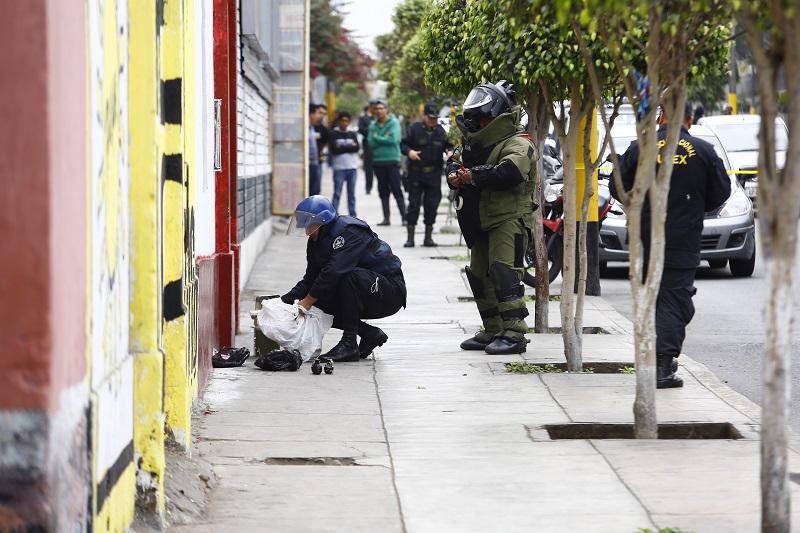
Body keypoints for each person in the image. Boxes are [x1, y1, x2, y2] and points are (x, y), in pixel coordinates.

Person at [611, 103, 731, 388]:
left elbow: (618, 186)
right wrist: (694, 206)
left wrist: (640, 206)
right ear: (689, 119)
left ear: (661, 116)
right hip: (683, 238)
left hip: (646, 237)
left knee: (657, 299)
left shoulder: (641, 146)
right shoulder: (703, 151)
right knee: (676, 301)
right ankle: (662, 366)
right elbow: (721, 192)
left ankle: (656, 358)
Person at [446, 81, 536, 355]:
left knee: (504, 271)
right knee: (478, 274)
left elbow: (509, 172)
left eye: (483, 119)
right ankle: (493, 328)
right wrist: (454, 174)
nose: (479, 124)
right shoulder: (474, 144)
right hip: (480, 219)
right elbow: (454, 161)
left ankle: (515, 332)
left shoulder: (519, 143)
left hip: (508, 218)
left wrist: (471, 176)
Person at [281, 195, 407, 362]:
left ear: (323, 221)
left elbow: (334, 271)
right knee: (317, 300)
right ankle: (369, 333)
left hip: (389, 292)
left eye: (309, 225)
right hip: (363, 291)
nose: (306, 231)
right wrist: (283, 302)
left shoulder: (351, 232)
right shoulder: (315, 242)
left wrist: (307, 301)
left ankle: (349, 344)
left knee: (346, 277)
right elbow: (310, 280)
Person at [401, 102, 453, 247]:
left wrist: (450, 151)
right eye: (430, 118)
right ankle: (410, 238)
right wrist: (409, 152)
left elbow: (448, 145)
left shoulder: (440, 131)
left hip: (434, 174)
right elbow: (403, 145)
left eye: (435, 118)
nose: (433, 121)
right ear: (423, 115)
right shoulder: (414, 129)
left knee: (432, 205)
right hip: (416, 174)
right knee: (414, 205)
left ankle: (428, 238)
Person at [368, 100, 406, 226]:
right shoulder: (372, 126)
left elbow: (394, 140)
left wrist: (377, 137)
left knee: (396, 189)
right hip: (378, 162)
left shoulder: (394, 123)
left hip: (392, 161)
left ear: (387, 110)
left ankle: (404, 218)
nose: (379, 111)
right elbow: (370, 143)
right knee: (383, 190)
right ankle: (386, 219)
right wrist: (385, 137)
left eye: (381, 108)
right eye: (377, 109)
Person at [329, 111, 360, 216]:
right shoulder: (333, 133)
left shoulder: (352, 133)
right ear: (338, 121)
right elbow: (334, 150)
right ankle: (333, 214)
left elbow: (357, 148)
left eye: (346, 121)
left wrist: (341, 147)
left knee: (351, 193)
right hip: (339, 168)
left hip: (352, 167)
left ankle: (353, 214)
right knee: (337, 193)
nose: (344, 123)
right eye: (342, 120)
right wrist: (350, 146)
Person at [358, 102, 376, 194]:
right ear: (370, 107)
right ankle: (368, 187)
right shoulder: (363, 117)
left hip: (379, 144)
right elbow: (360, 129)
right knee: (369, 167)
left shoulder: (377, 117)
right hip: (368, 144)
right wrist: (371, 129)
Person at [308, 104, 323, 195]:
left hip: (314, 163)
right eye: (317, 113)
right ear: (311, 114)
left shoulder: (312, 128)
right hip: (308, 164)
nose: (318, 116)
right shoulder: (305, 128)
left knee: (315, 191)